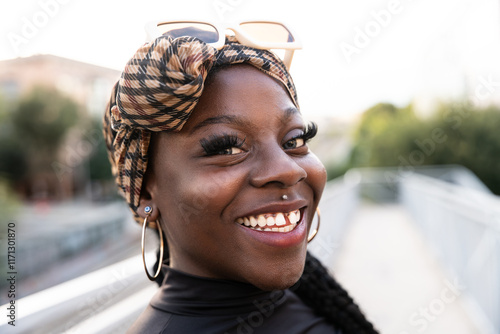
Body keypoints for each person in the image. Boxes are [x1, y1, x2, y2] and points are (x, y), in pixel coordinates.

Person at [103, 21, 378, 334]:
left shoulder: (309, 300)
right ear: (144, 194)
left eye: (295, 140)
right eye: (227, 147)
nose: (289, 169)